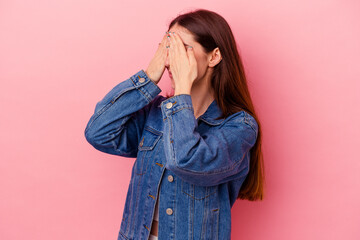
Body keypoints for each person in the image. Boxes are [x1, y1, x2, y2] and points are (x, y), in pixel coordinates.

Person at [84, 8, 264, 240]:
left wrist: (181, 91)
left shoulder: (239, 127)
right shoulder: (156, 113)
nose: (171, 58)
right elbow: (98, 132)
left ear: (214, 57)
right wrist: (148, 77)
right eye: (167, 47)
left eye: (182, 48)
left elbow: (186, 160)